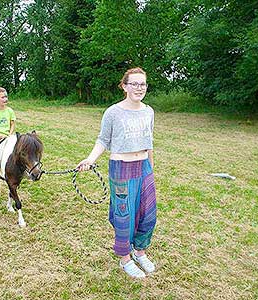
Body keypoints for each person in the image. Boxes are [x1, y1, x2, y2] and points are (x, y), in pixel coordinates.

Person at [76, 67, 157, 279]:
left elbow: (149, 142)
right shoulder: (113, 112)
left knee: (148, 214)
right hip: (121, 168)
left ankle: (140, 252)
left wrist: (151, 168)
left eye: (143, 84)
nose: (139, 88)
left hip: (144, 167)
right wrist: (90, 159)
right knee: (124, 215)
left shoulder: (149, 111)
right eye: (134, 84)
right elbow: (103, 140)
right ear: (124, 86)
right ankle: (125, 259)